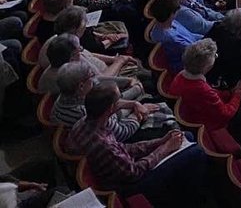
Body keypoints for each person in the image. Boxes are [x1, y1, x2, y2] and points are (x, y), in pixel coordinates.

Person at [65, 82, 208, 206]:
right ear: (111, 109)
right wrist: (165, 148)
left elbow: (124, 148)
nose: (121, 101)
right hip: (130, 187)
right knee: (197, 151)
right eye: (119, 99)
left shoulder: (83, 122)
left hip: (121, 168)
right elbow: (135, 171)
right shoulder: (104, 144)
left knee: (186, 136)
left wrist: (160, 141)